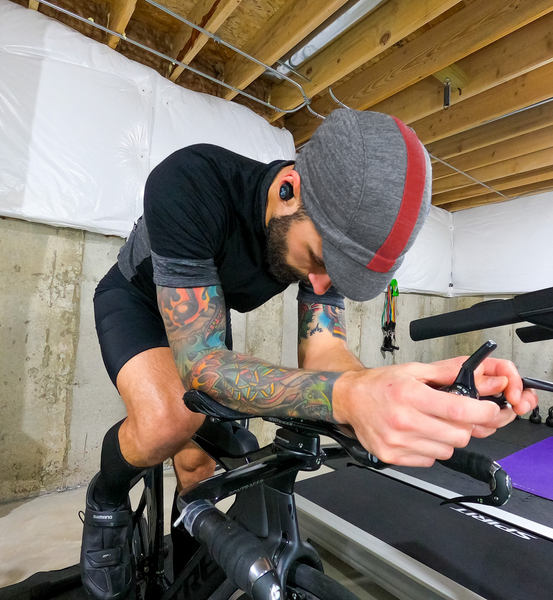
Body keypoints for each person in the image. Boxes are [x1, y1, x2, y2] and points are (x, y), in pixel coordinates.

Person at [80, 109, 537, 600]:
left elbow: (325, 350)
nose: (320, 285)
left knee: (196, 465)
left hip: (202, 309)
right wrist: (346, 399)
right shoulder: (189, 180)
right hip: (136, 299)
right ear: (289, 189)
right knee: (172, 420)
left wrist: (394, 386)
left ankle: (188, 569)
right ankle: (105, 498)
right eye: (319, 260)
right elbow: (204, 367)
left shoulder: (324, 235)